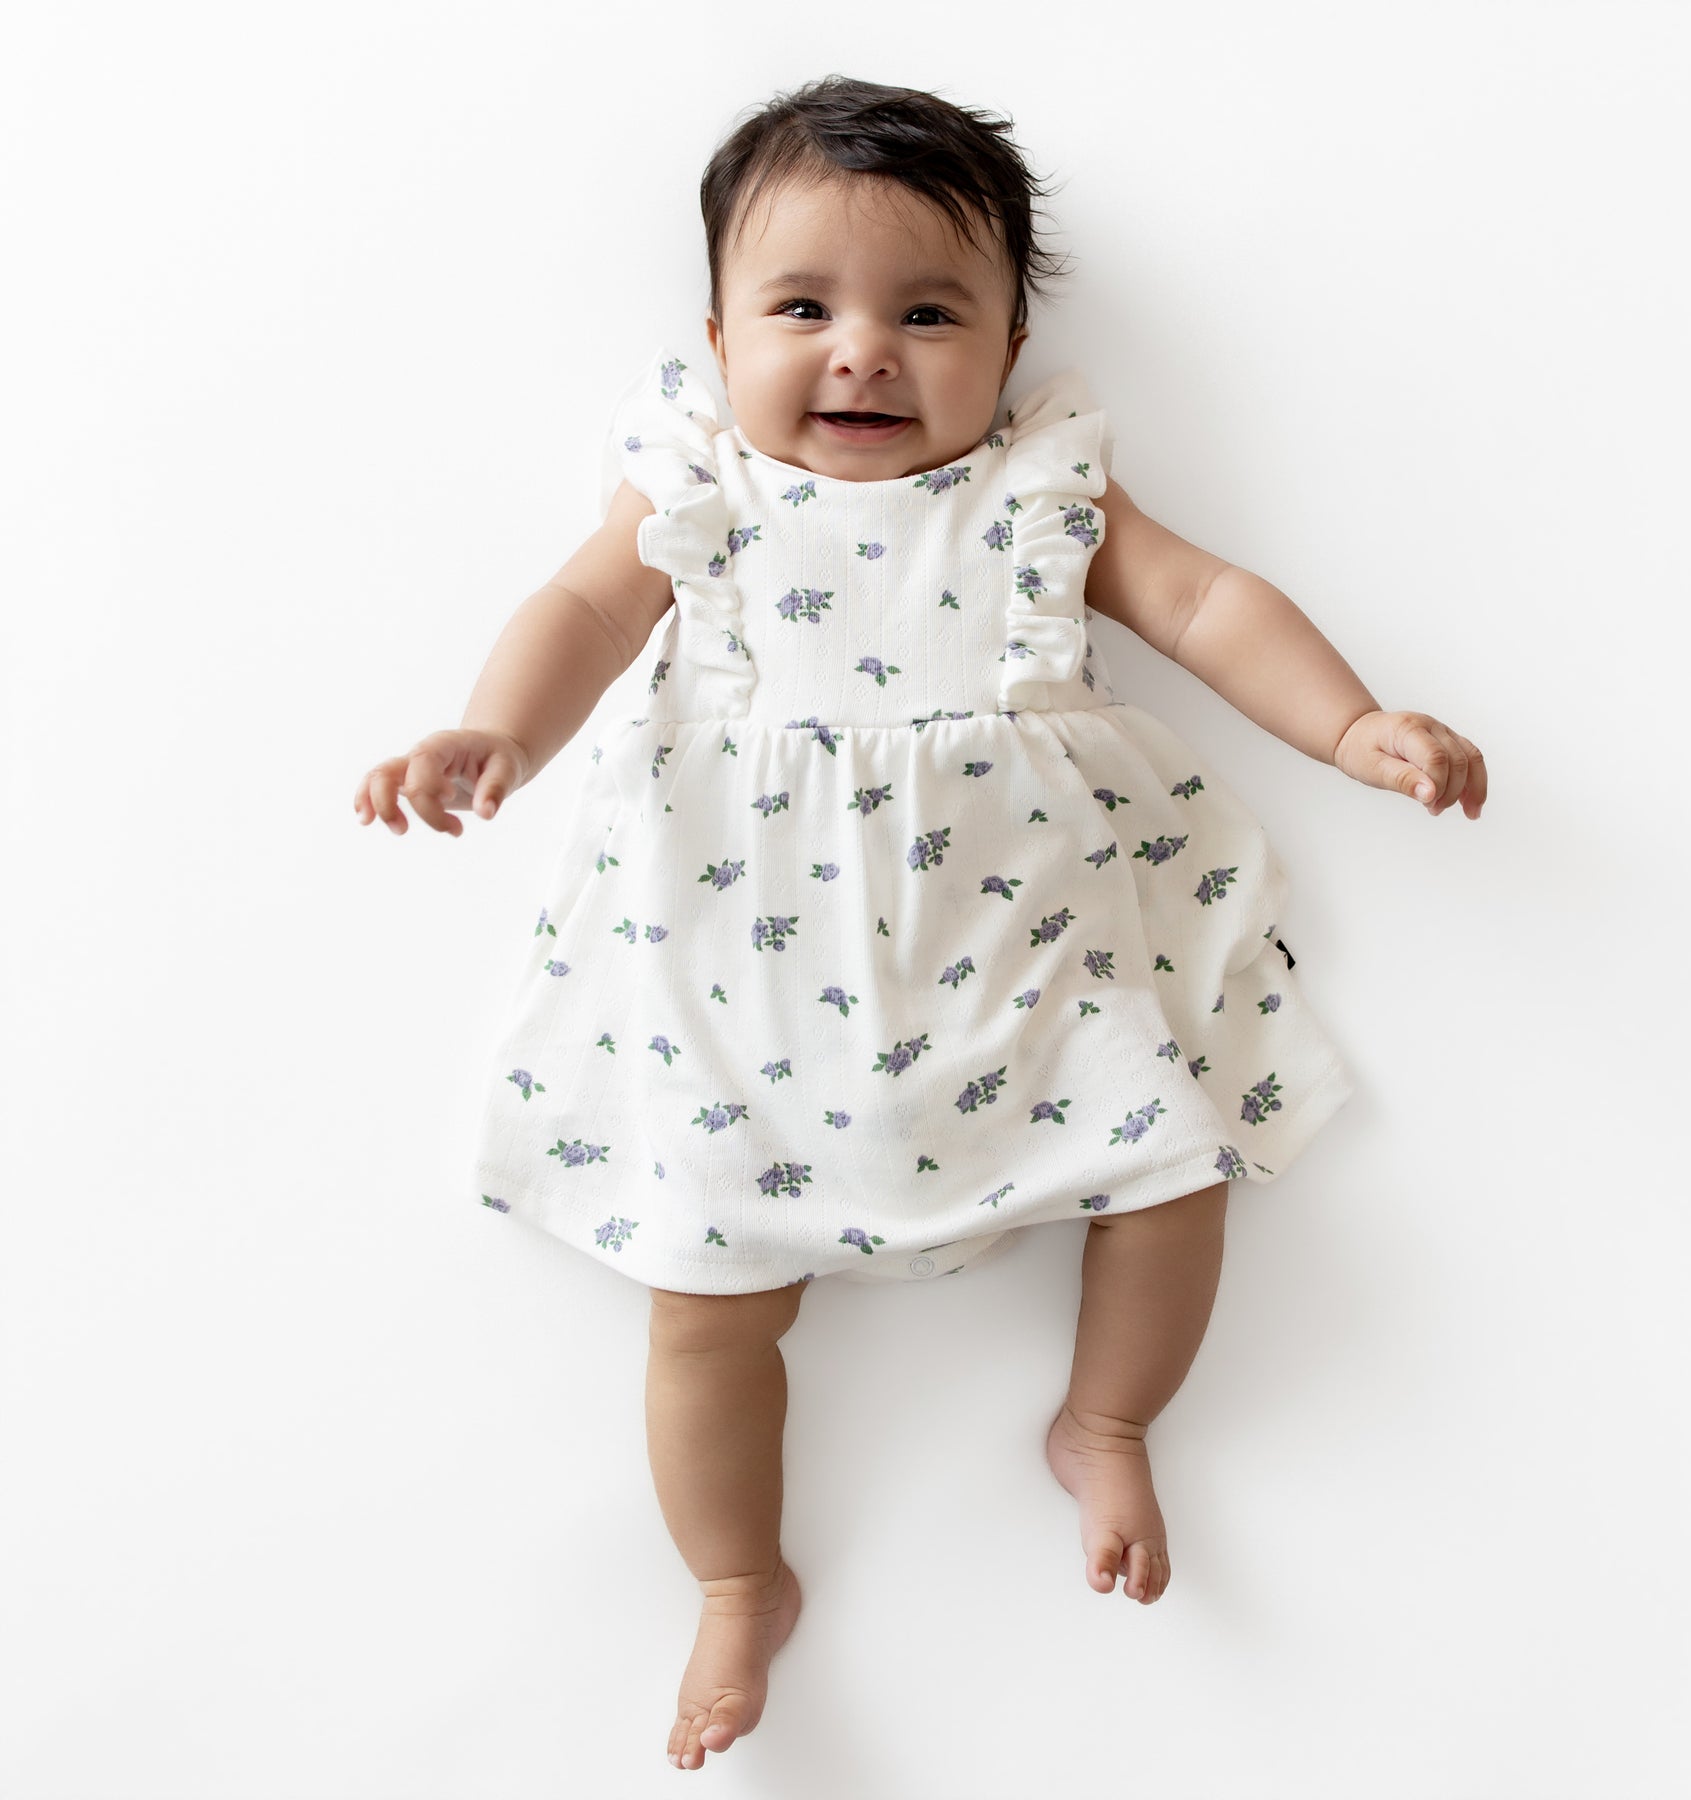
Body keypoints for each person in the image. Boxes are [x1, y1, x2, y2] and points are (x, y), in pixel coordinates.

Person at [353, 74, 1486, 1774]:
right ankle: (738, 1582)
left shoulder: (1037, 487)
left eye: (929, 312)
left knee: (1171, 1167)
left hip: (1023, 955)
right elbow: (587, 603)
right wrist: (498, 731)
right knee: (703, 1291)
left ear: (1011, 340)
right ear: (718, 330)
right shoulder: (699, 488)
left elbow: (1200, 600)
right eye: (802, 308)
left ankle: (1107, 1420)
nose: (863, 353)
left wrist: (1352, 724)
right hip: (740, 993)